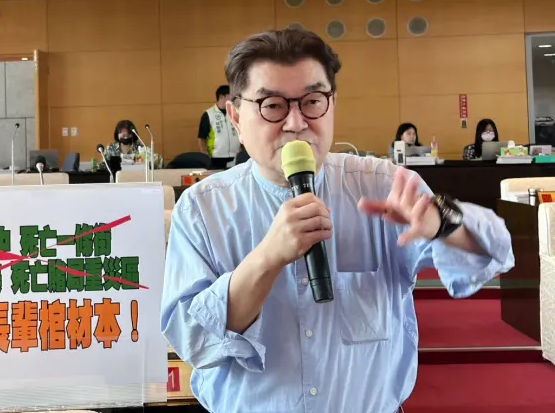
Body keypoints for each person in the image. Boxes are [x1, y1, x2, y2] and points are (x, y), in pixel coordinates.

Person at [161, 28, 514, 413]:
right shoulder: (202, 208)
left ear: (332, 106)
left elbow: (494, 253)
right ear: (235, 117)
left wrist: (443, 223)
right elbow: (192, 340)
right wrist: (267, 259)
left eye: (312, 101)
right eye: (272, 105)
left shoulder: (383, 185)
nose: (296, 123)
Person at [198, 85, 241, 169]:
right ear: (221, 97)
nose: (232, 100)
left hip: (235, 156)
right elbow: (201, 138)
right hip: (215, 158)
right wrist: (205, 156)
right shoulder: (208, 114)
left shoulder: (234, 113)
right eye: (230, 96)